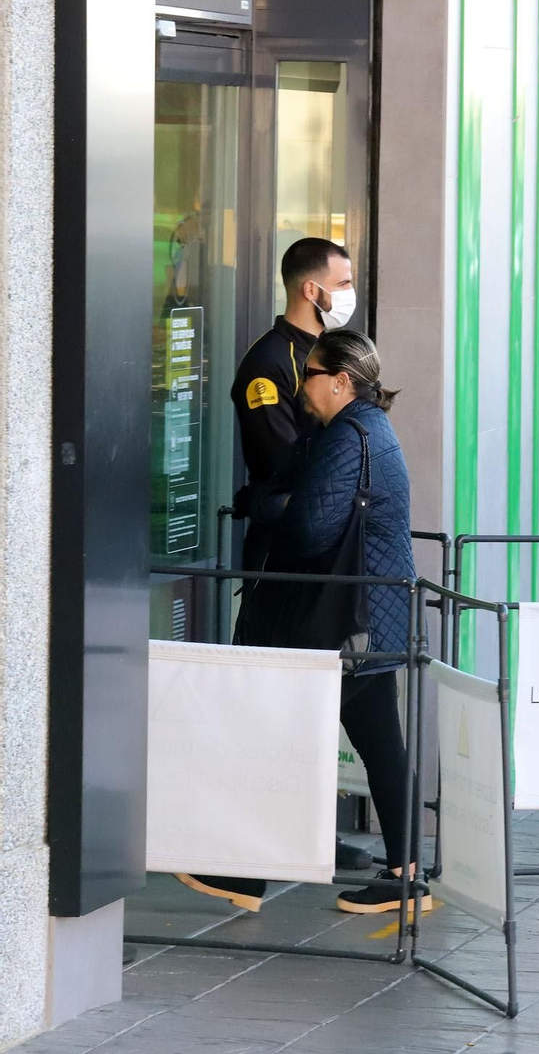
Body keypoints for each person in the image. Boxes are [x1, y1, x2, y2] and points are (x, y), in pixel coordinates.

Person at [180, 330, 427, 916]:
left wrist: (270, 506)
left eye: (311, 372)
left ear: (342, 381)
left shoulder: (349, 436)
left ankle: (251, 874)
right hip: (368, 616)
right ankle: (404, 872)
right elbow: (286, 496)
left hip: (346, 618)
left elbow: (306, 527)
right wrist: (275, 499)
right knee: (377, 744)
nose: (300, 384)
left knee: (278, 736)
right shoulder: (356, 430)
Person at [228, 236, 371, 875]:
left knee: (311, 703)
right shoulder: (269, 363)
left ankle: (308, 829)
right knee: (267, 703)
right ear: (311, 289)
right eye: (342, 281)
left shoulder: (328, 356)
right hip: (281, 558)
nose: (348, 292)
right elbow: (284, 465)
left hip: (325, 551)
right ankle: (245, 844)